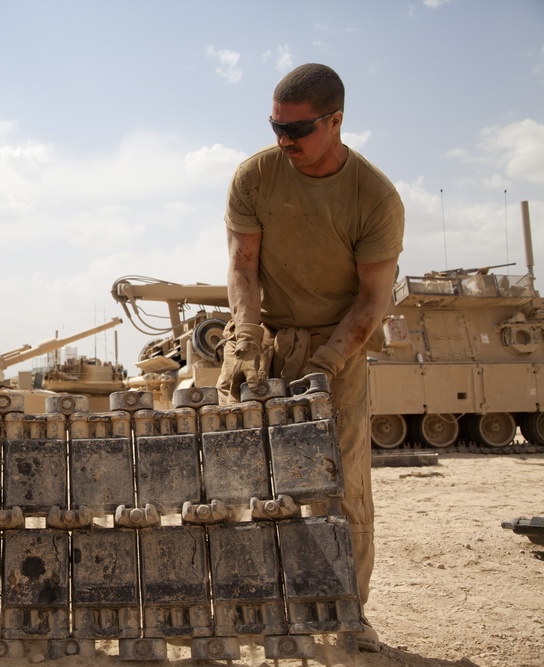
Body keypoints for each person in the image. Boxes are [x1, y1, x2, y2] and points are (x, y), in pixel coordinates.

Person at [216, 63, 405, 652]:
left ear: (337, 121)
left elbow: (373, 299)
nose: (282, 141)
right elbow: (242, 267)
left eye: (296, 130)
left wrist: (325, 364)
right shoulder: (255, 175)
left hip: (339, 344)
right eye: (275, 125)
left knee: (341, 489)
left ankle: (348, 615)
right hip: (265, 336)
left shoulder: (374, 198)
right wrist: (247, 337)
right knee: (243, 480)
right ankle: (255, 609)